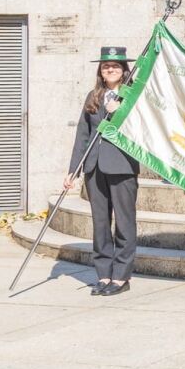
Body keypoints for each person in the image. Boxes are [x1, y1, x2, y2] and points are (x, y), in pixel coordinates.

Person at [66, 46, 138, 295]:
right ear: (101, 70)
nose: (110, 69)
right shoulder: (93, 96)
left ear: (124, 70)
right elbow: (82, 135)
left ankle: (121, 276)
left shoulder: (133, 96)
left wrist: (122, 112)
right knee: (100, 223)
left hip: (122, 166)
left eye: (116, 66)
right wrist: (73, 170)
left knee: (124, 222)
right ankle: (104, 274)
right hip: (94, 166)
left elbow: (141, 130)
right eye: (106, 66)